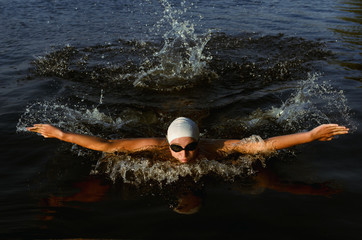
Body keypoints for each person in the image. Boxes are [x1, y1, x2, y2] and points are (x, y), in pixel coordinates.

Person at [27, 117, 349, 164]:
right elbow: (108, 145)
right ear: (167, 146)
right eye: (177, 148)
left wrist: (309, 135)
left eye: (191, 146)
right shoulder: (154, 147)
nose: (184, 155)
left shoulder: (214, 148)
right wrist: (60, 134)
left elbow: (262, 145)